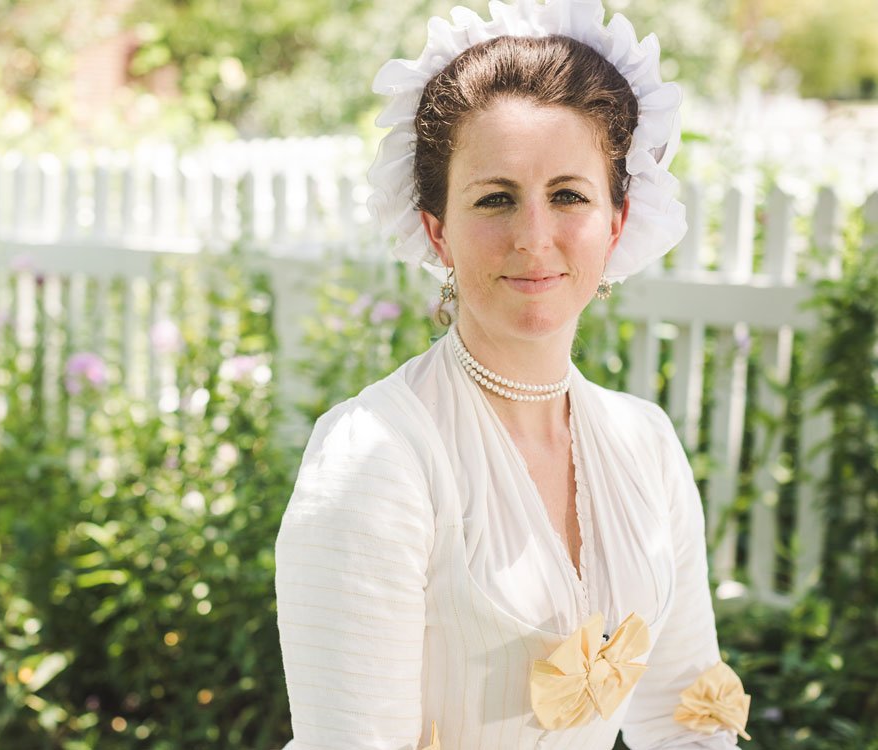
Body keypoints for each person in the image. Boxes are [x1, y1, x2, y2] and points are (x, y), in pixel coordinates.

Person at [274, 1, 752, 748]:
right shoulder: (377, 459)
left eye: (569, 195)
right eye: (495, 199)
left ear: (618, 220)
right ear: (436, 229)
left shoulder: (647, 446)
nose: (535, 237)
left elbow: (687, 715)